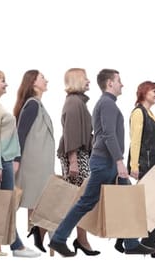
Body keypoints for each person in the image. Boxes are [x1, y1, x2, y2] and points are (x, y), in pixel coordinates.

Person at [47, 69, 155, 257]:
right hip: (105, 163)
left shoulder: (108, 104)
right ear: (110, 84)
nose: (122, 84)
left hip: (108, 163)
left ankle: (131, 243)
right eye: (119, 80)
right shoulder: (107, 104)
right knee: (86, 202)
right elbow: (108, 135)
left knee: (128, 200)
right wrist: (119, 161)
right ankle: (58, 239)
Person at [0, 70, 41, 257]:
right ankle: (17, 247)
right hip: (0, 162)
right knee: (5, 206)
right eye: (2, 81)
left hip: (2, 161)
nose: (6, 84)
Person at [13, 70, 56, 254]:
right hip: (34, 164)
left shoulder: (37, 104)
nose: (46, 80)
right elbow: (20, 133)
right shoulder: (32, 105)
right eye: (42, 78)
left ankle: (36, 234)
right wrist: (16, 160)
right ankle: (42, 235)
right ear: (33, 83)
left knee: (35, 201)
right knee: (38, 200)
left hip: (39, 162)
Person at [56, 68, 96, 255]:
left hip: (80, 155)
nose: (89, 81)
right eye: (85, 78)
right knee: (79, 200)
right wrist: (73, 161)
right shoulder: (73, 103)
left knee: (79, 200)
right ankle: (64, 238)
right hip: (76, 156)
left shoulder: (78, 102)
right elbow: (70, 134)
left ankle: (81, 239)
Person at [127, 80, 155, 257]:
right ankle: (137, 241)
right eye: (153, 91)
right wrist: (134, 165)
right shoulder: (139, 112)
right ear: (143, 92)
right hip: (145, 165)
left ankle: (148, 241)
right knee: (149, 205)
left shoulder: (150, 113)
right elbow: (135, 140)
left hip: (154, 165)